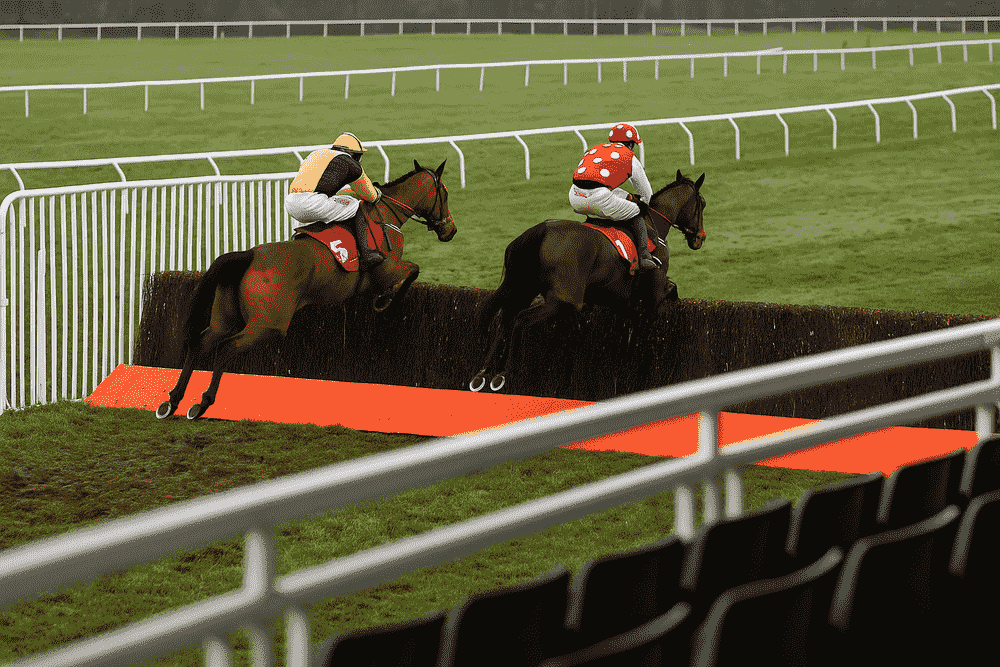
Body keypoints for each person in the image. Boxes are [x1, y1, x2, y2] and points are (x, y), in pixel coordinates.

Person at [285, 132, 385, 269]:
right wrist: (378, 192)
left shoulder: (316, 155)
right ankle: (367, 254)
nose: (358, 159)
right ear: (352, 154)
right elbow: (371, 196)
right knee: (356, 205)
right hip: (313, 203)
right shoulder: (350, 163)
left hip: (291, 202)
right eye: (358, 156)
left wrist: (349, 193)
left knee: (338, 203)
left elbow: (321, 188)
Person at [568, 122, 658, 272]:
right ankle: (644, 257)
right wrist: (642, 204)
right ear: (630, 144)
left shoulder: (594, 149)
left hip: (574, 196)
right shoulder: (630, 158)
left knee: (620, 195)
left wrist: (628, 196)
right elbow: (647, 196)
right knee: (637, 210)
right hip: (598, 198)